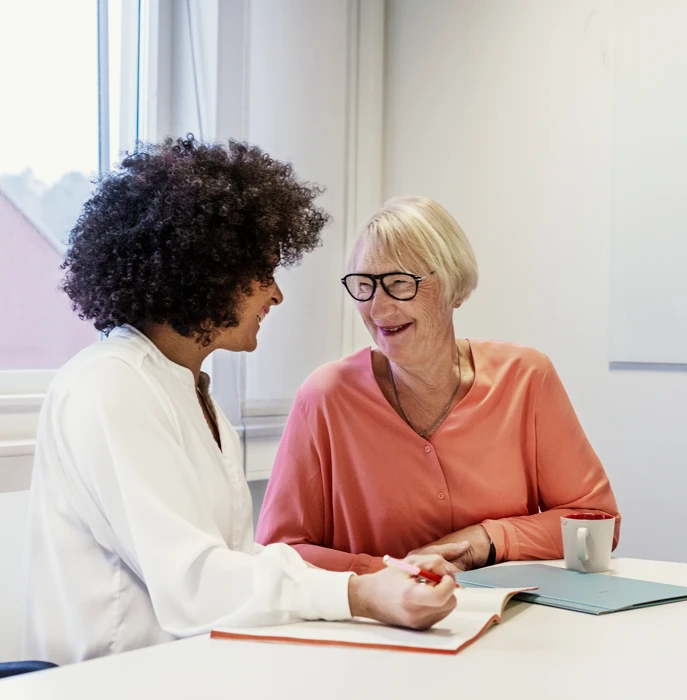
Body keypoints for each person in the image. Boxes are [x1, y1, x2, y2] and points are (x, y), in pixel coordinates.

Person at [22, 140, 456, 666]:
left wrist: (379, 578)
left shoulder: (186, 389)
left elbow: (235, 560)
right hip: (108, 682)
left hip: (183, 670)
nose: (276, 295)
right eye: (264, 273)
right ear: (208, 269)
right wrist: (359, 595)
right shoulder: (110, 384)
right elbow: (193, 583)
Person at [256, 196, 620, 574]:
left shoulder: (526, 377)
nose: (377, 309)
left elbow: (595, 522)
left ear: (453, 288)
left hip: (512, 609)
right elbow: (277, 553)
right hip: (379, 612)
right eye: (364, 285)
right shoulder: (325, 397)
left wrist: (484, 540)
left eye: (400, 283)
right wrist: (388, 575)